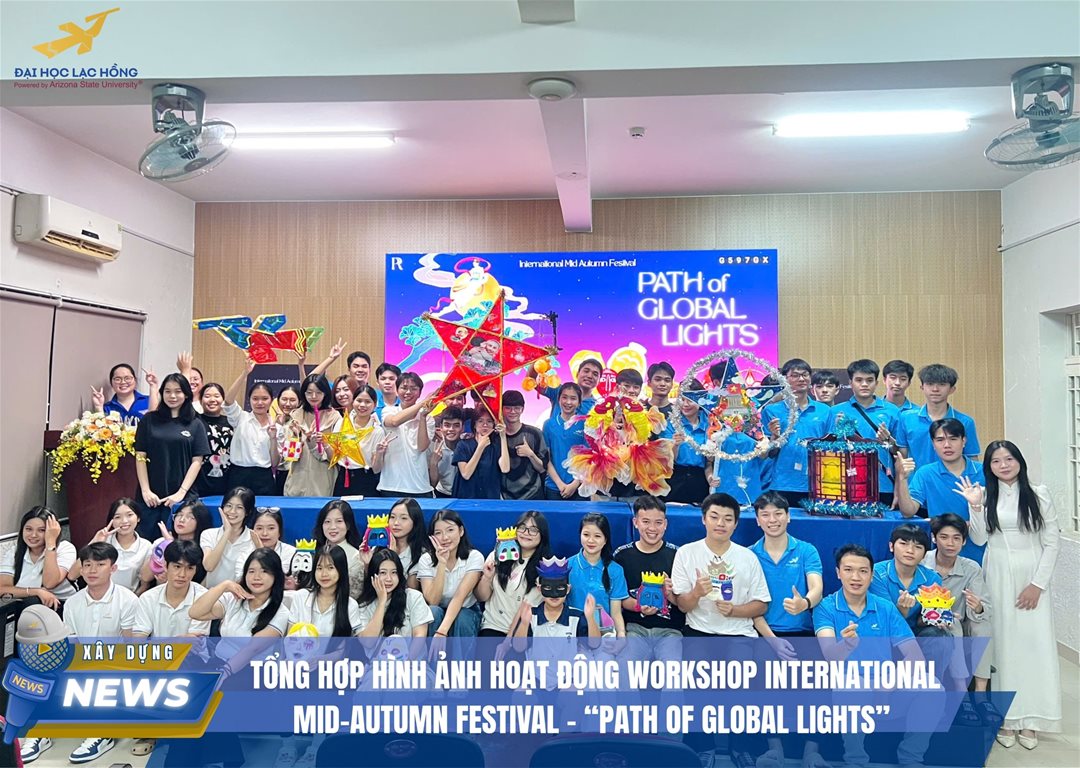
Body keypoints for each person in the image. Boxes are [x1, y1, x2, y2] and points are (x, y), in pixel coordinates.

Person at [957, 441, 1061, 749]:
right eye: (996, 461)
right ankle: (1006, 717)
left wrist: (1037, 585)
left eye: (1009, 459)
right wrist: (976, 506)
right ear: (989, 466)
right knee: (1001, 645)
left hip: (1031, 572)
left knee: (1033, 644)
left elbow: (1052, 543)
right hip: (997, 572)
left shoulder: (1039, 494)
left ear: (1019, 461)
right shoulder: (985, 494)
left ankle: (1032, 720)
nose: (1003, 465)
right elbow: (978, 538)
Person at [813, 544, 932, 768]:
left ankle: (911, 757)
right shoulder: (825, 608)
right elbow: (830, 656)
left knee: (932, 688)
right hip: (846, 684)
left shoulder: (885, 607)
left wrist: (888, 683)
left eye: (863, 571)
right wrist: (847, 645)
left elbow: (915, 656)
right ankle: (855, 761)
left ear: (871, 574)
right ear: (838, 573)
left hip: (886, 682)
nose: (855, 577)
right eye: (848, 570)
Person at [60, 542, 139, 764]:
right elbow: (72, 644)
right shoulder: (72, 603)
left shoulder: (128, 600)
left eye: (100, 564)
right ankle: (40, 736)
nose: (92, 570)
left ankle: (102, 734)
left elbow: (130, 647)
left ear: (113, 568)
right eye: (87, 565)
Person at [671, 493, 769, 637]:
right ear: (703, 519)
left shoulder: (748, 557)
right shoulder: (685, 553)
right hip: (698, 630)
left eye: (728, 519)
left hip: (739, 633)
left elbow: (761, 605)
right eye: (714, 517)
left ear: (735, 524)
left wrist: (734, 610)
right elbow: (682, 606)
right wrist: (696, 593)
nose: (720, 524)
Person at [923, 514, 993, 707]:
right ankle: (961, 689)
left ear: (964, 542)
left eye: (956, 538)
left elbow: (985, 609)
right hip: (931, 622)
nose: (950, 543)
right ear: (934, 538)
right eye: (944, 537)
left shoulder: (971, 568)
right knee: (952, 623)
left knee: (983, 626)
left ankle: (980, 692)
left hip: (963, 621)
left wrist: (977, 606)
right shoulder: (922, 563)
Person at [894, 419, 986, 559]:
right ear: (933, 444)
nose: (947, 445)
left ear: (964, 441)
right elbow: (908, 511)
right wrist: (902, 478)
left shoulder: (984, 471)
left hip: (980, 550)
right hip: (941, 553)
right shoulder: (925, 473)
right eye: (940, 440)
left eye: (953, 439)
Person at [133, 373, 210, 539]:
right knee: (148, 542)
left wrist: (181, 493)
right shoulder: (149, 420)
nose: (172, 396)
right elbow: (140, 456)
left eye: (178, 391)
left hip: (182, 497)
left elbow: (197, 461)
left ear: (186, 394)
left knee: (178, 544)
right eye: (167, 391)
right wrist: (146, 491)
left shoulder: (196, 423)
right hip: (151, 497)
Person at [614, 496, 684, 653]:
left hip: (670, 630)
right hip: (635, 628)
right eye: (645, 521)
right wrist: (639, 606)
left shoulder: (678, 555)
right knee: (626, 664)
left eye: (658, 522)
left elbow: (684, 602)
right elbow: (619, 598)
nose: (652, 528)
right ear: (635, 522)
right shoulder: (621, 555)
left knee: (672, 665)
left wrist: (670, 593)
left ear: (665, 524)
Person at [826, 359, 902, 504]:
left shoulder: (892, 411)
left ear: (877, 383)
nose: (864, 384)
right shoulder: (836, 411)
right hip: (845, 483)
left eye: (869, 380)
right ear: (850, 383)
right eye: (859, 380)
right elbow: (827, 450)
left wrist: (888, 441)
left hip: (883, 484)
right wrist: (837, 432)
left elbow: (900, 452)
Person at [749, 492, 823, 639]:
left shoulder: (807, 550)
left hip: (802, 632)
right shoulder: (749, 555)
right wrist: (773, 640)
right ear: (757, 520)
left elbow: (817, 589)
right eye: (765, 515)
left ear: (788, 516)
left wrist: (804, 603)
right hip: (761, 633)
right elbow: (749, 603)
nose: (772, 520)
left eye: (778, 513)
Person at [763, 358, 831, 508]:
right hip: (782, 482)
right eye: (795, 375)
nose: (801, 379)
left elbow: (831, 447)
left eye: (805, 374)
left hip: (817, 483)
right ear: (784, 379)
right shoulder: (772, 411)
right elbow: (767, 454)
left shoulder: (825, 411)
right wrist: (774, 437)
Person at [475, 511, 550, 637]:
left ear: (542, 535)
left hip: (524, 629)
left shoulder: (545, 567)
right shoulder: (498, 555)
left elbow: (527, 608)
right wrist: (487, 577)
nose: (526, 533)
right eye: (522, 527)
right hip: (493, 626)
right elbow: (481, 597)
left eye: (533, 530)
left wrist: (508, 641)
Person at [899, 363, 982, 469]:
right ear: (922, 387)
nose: (935, 389)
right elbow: (902, 457)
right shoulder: (906, 418)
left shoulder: (965, 422)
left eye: (942, 384)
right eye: (930, 384)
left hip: (953, 479)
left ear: (952, 389)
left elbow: (972, 459)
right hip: (916, 479)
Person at [418, 509, 484, 639]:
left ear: (461, 531)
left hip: (466, 610)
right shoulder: (426, 560)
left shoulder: (474, 557)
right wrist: (442, 563)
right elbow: (433, 601)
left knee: (462, 618)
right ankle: (433, 653)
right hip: (438, 609)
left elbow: (460, 596)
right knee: (433, 612)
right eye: (438, 533)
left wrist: (442, 631)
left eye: (450, 530)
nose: (445, 537)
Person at [869, 523, 945, 635]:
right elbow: (885, 618)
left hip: (916, 632)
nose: (910, 550)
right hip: (883, 630)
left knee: (939, 633)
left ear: (925, 554)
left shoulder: (933, 578)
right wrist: (901, 609)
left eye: (918, 547)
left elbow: (922, 621)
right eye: (903, 544)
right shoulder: (876, 574)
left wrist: (935, 618)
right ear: (891, 546)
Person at [0, 507, 76, 608]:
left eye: (41, 530)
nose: (33, 535)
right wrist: (36, 591)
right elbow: (2, 589)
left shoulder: (65, 548)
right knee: (29, 602)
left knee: (32, 603)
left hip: (60, 605)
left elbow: (49, 583)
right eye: (28, 529)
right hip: (26, 605)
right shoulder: (15, 552)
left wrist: (50, 543)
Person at [132, 540, 210, 638]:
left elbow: (195, 643)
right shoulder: (148, 598)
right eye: (177, 566)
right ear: (165, 566)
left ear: (195, 570)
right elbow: (138, 640)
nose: (182, 574)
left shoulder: (204, 598)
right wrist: (176, 641)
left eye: (190, 568)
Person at [568, 513, 628, 638]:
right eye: (586, 535)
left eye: (597, 536)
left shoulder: (615, 570)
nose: (591, 540)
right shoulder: (567, 566)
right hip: (573, 632)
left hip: (604, 633)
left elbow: (616, 613)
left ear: (605, 539)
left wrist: (621, 635)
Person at [222, 360, 277, 496]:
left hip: (264, 478)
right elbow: (228, 400)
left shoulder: (276, 427)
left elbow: (275, 462)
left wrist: (273, 438)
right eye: (255, 398)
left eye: (264, 398)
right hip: (238, 475)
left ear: (271, 400)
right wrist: (245, 373)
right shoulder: (241, 417)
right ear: (249, 400)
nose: (260, 403)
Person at [75, 497, 151, 593]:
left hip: (128, 598)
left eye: (129, 515)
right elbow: (72, 575)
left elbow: (145, 584)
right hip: (99, 595)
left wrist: (133, 600)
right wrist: (94, 543)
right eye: (118, 517)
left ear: (138, 518)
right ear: (112, 521)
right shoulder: (104, 540)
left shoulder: (146, 546)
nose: (124, 521)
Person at [378, 373, 436, 497]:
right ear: (397, 390)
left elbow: (422, 447)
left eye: (413, 388)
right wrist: (423, 403)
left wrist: (423, 416)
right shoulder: (389, 411)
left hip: (419, 487)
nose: (408, 392)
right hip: (391, 485)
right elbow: (394, 421)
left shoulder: (428, 418)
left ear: (420, 393)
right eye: (404, 388)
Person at [283, 374, 341, 497]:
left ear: (325, 393)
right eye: (309, 392)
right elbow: (289, 456)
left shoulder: (334, 418)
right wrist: (297, 437)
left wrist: (322, 443)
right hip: (297, 479)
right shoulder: (296, 416)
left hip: (322, 479)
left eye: (318, 392)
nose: (313, 396)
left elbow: (335, 458)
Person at [287, 545, 363, 637]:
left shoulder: (350, 605)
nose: (324, 574)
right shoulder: (301, 596)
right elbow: (290, 638)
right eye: (319, 568)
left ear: (341, 570)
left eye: (330, 568)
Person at [357, 548, 433, 639]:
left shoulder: (413, 597)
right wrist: (382, 602)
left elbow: (419, 636)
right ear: (373, 575)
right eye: (383, 573)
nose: (389, 579)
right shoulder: (363, 606)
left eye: (393, 572)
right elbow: (368, 642)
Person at [139, 499, 211, 591]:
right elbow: (145, 577)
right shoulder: (162, 542)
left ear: (200, 521)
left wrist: (171, 543)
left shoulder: (203, 550)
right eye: (179, 515)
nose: (181, 520)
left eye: (190, 517)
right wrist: (166, 544)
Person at [332, 385, 386, 497]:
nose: (362, 405)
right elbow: (333, 454)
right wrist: (323, 443)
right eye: (359, 400)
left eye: (367, 402)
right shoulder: (342, 423)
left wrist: (379, 453)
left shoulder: (377, 431)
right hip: (344, 476)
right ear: (353, 401)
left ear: (375, 405)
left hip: (367, 479)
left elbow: (376, 469)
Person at [201, 487, 257, 589]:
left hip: (239, 594)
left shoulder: (253, 538)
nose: (232, 511)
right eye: (228, 506)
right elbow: (209, 566)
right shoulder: (209, 534)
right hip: (211, 592)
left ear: (248, 512)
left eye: (239, 507)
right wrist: (227, 532)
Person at [501, 390, 549, 500]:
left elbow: (543, 469)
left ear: (522, 409)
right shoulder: (496, 436)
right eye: (508, 408)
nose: (513, 411)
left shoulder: (535, 433)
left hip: (532, 495)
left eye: (517, 408)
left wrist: (530, 454)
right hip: (505, 498)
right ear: (502, 409)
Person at [312, 500, 365, 599]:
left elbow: (354, 594)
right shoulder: (313, 552)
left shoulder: (356, 557)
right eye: (327, 522)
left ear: (348, 525)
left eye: (339, 521)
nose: (333, 527)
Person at [452, 408, 510, 499]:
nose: (485, 424)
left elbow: (505, 468)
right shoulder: (462, 445)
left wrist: (503, 437)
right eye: (480, 421)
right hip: (466, 499)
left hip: (489, 499)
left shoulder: (496, 446)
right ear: (474, 424)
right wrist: (480, 448)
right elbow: (466, 474)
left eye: (489, 421)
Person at [543, 383, 587, 500]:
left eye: (573, 398)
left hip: (579, 487)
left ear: (579, 402)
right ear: (559, 399)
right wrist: (559, 484)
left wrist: (575, 484)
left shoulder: (586, 424)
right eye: (564, 397)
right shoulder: (549, 424)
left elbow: (589, 459)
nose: (568, 402)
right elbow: (546, 458)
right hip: (554, 487)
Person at [667, 389, 711, 505]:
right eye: (682, 399)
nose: (685, 404)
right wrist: (675, 445)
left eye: (690, 400)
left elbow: (710, 461)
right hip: (675, 478)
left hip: (701, 479)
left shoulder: (711, 424)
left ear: (701, 401)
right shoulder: (671, 423)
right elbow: (668, 459)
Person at [195, 382, 235, 497]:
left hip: (228, 482)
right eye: (207, 396)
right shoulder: (195, 420)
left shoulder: (232, 421)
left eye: (217, 396)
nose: (212, 400)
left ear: (223, 399)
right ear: (200, 400)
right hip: (200, 482)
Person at [385, 498, 431, 588]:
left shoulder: (421, 554)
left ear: (415, 522)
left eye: (404, 518)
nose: (396, 523)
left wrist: (393, 557)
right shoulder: (378, 547)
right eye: (392, 517)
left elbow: (411, 588)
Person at [240, 508, 297, 579]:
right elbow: (241, 580)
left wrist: (261, 551)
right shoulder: (244, 551)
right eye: (259, 528)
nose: (265, 533)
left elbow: (280, 580)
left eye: (271, 528)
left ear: (279, 531)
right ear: (252, 531)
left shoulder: (291, 553)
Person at [535, 357, 602, 416]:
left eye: (595, 374)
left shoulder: (597, 409)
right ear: (577, 374)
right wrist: (544, 358)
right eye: (586, 371)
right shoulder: (559, 390)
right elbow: (532, 379)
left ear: (599, 381)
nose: (590, 376)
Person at [271, 385, 302, 495]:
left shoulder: (299, 423)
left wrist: (297, 435)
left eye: (292, 400)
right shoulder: (272, 422)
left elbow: (291, 455)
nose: (287, 404)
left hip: (295, 473)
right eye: (284, 399)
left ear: (299, 402)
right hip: (276, 473)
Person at [429, 406, 465, 498]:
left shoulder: (468, 445)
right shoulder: (434, 447)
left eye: (456, 425)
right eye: (447, 425)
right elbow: (432, 484)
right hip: (442, 495)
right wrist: (433, 464)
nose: (451, 429)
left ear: (463, 428)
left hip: (464, 495)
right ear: (441, 427)